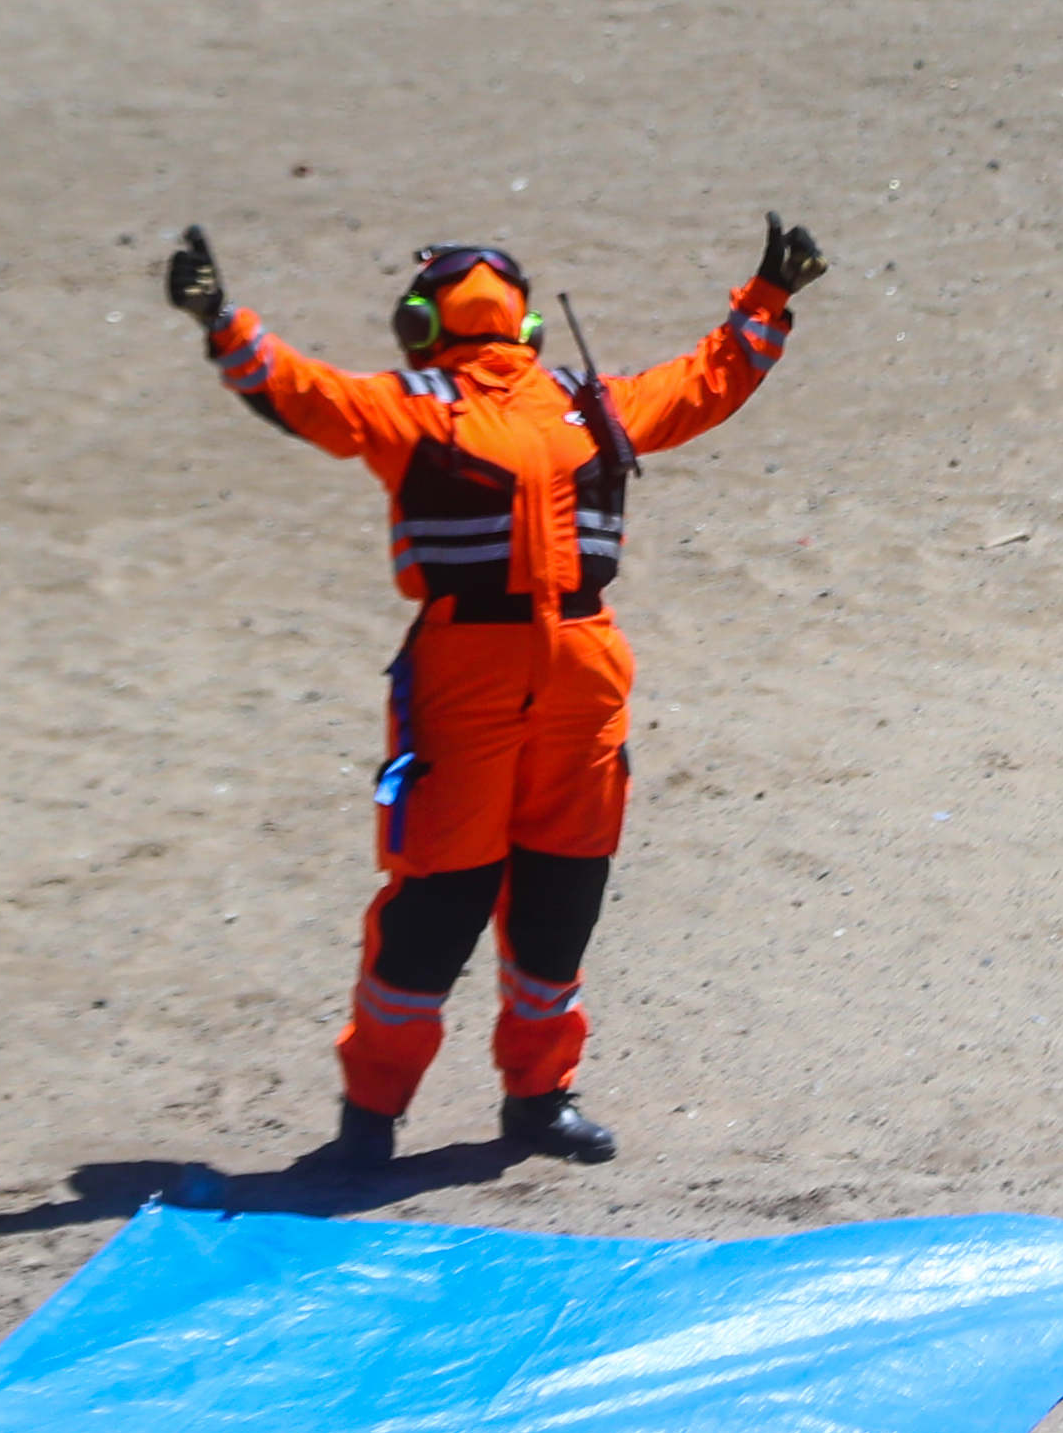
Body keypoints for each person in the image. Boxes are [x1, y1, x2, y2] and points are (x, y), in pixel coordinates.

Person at [159, 212, 822, 1171]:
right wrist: (769, 295)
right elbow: (707, 384)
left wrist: (225, 324)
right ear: (525, 324)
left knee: (441, 896)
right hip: (580, 670)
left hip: (475, 672)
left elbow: (302, 395)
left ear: (422, 322)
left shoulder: (419, 405)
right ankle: (537, 1099)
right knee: (559, 892)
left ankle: (372, 1120)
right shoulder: (586, 403)